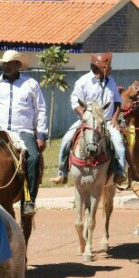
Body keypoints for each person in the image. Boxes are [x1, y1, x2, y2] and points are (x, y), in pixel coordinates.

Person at [0, 50, 47, 217]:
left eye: (10, 63)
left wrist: (41, 135)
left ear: (18, 65)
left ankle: (29, 200)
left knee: (33, 158)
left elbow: (40, 110)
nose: (6, 66)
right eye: (4, 63)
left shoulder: (30, 84)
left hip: (23, 131)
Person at [52, 52, 127, 186]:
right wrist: (85, 117)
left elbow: (117, 101)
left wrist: (115, 118)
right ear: (100, 68)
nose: (111, 69)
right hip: (86, 121)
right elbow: (75, 102)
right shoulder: (83, 81)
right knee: (66, 140)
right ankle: (62, 172)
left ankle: (119, 172)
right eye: (108, 66)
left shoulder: (111, 81)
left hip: (107, 121)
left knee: (119, 142)